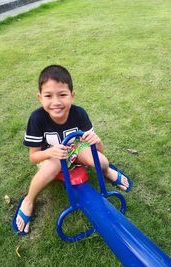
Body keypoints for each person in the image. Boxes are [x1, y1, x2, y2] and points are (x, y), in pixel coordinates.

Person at [12, 65, 132, 236]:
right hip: (51, 155)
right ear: (40, 98)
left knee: (102, 161)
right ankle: (29, 200)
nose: (56, 102)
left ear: (72, 95)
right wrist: (50, 153)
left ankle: (107, 172)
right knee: (50, 168)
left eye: (62, 94)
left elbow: (98, 151)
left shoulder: (79, 113)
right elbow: (33, 157)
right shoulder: (37, 118)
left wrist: (96, 141)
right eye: (48, 96)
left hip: (76, 148)